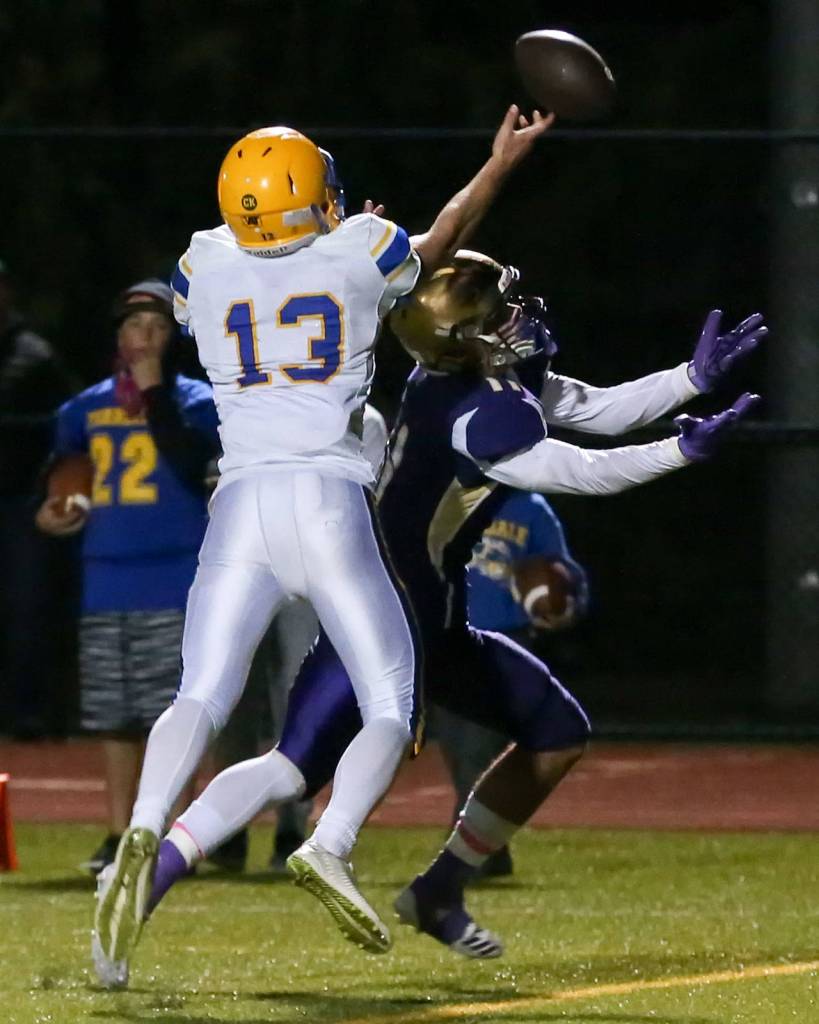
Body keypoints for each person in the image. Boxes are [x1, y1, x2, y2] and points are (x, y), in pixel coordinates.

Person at [140, 250, 765, 967]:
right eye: (502, 309)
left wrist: (689, 381)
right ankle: (164, 869)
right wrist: (678, 452)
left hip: (435, 610)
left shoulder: (469, 377)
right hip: (392, 607)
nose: (520, 313)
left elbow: (586, 407)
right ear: (467, 339)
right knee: (293, 765)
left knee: (555, 732)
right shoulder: (478, 414)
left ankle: (438, 890)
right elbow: (582, 470)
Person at [93, 108, 554, 981]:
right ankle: (330, 841)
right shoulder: (360, 249)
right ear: (312, 196)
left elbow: (242, 286)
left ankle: (145, 824)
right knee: (388, 704)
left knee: (202, 693)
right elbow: (442, 239)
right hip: (327, 500)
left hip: (238, 505)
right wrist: (497, 165)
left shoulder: (201, 261)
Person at [35, 280, 220, 873]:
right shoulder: (84, 408)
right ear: (117, 334)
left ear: (174, 339)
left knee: (173, 713)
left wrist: (154, 391)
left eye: (158, 327)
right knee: (113, 717)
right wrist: (56, 507)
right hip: (106, 575)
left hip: (176, 573)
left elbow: (198, 469)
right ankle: (118, 832)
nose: (145, 336)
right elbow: (66, 472)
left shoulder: (199, 403)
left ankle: (174, 836)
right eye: (135, 325)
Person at [210, 403, 389, 874]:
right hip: (247, 566)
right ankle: (225, 831)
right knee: (231, 702)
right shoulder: (254, 401)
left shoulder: (363, 419)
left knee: (297, 697)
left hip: (313, 575)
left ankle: (292, 827)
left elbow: (358, 502)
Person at [436, 488, 588, 878]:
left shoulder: (529, 507)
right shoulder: (440, 498)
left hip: (504, 641)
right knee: (456, 748)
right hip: (444, 637)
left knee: (478, 750)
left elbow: (566, 575)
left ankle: (468, 856)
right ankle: (492, 850)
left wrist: (558, 600)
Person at [0, 258, 73, 737]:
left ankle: (29, 715)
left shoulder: (35, 355)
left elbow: (67, 427)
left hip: (20, 502)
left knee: (27, 610)